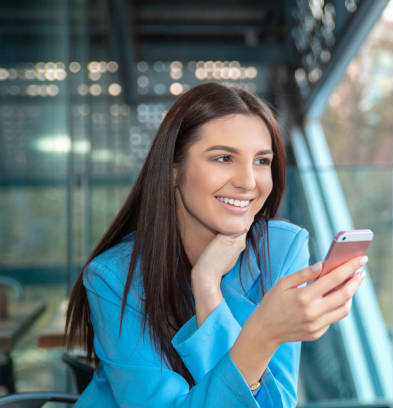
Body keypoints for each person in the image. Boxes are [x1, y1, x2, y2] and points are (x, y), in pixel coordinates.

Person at [65, 82, 367, 407]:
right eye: (224, 158)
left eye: (262, 161)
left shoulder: (282, 250)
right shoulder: (112, 278)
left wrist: (209, 292)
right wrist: (257, 333)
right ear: (173, 172)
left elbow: (276, 403)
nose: (248, 182)